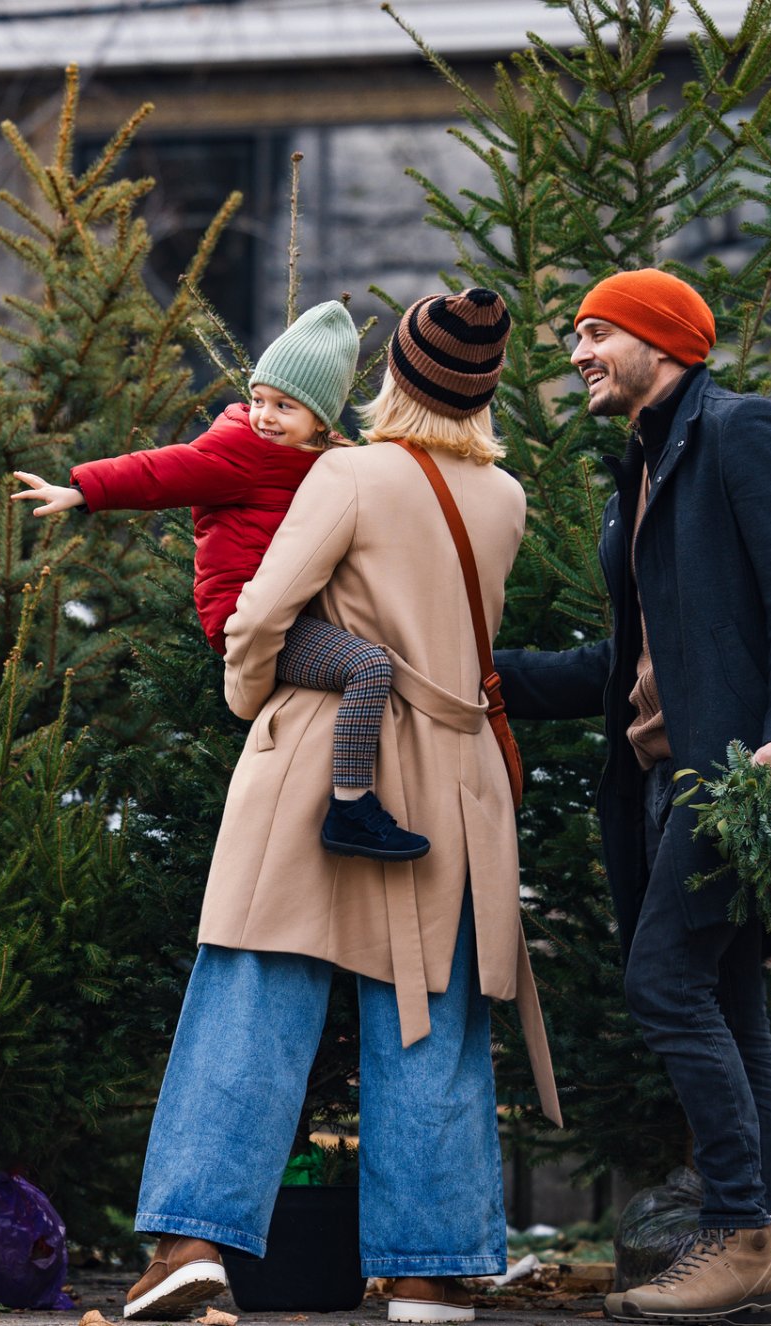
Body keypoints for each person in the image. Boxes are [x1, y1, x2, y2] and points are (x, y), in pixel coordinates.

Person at [121, 291, 560, 1325]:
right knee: (431, 1010)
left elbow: (265, 609)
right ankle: (432, 1270)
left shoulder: (346, 473)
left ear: (393, 378)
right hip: (452, 782)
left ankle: (191, 1245)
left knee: (251, 988)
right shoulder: (505, 496)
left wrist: (248, 697)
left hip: (327, 755)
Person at [490, 269, 771, 1325]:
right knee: (724, 998)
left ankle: (737, 1236)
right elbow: (632, 659)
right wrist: (489, 677)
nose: (575, 354)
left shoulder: (739, 432)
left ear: (658, 339)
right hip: (663, 779)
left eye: (594, 334)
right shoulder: (644, 460)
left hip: (733, 778)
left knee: (664, 982)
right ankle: (751, 1243)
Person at [11, 300, 430, 862]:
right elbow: (163, 471)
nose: (265, 416)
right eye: (259, 400)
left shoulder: (330, 459)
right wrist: (84, 490)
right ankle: (350, 807)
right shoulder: (242, 450)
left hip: (296, 608)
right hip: (244, 613)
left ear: (321, 420)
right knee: (368, 665)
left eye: (285, 406)